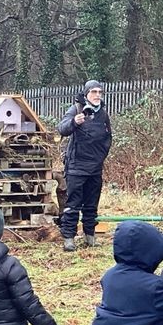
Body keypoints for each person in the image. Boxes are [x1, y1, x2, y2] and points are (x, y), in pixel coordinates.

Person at [58, 80, 112, 252]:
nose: (97, 95)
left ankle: (90, 236)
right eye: (94, 92)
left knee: (91, 204)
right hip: (76, 166)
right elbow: (62, 129)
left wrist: (101, 157)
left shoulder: (103, 114)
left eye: (100, 92)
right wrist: (74, 122)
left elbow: (108, 138)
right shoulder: (76, 109)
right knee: (73, 204)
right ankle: (69, 238)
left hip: (95, 167)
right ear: (86, 93)